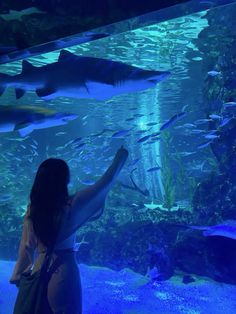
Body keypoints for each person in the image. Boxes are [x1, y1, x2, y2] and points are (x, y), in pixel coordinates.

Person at [9, 145, 128, 314]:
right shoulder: (71, 205)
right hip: (63, 271)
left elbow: (26, 244)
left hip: (39, 268)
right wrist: (122, 155)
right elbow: (106, 181)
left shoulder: (33, 209)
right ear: (64, 180)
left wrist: (18, 274)